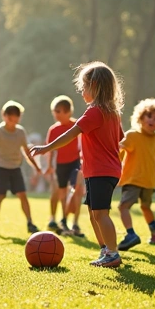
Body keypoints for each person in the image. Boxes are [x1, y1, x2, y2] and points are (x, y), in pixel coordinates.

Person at [32, 62, 125, 268]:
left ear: (94, 86)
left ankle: (113, 253)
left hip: (101, 171)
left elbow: (70, 134)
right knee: (93, 214)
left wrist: (47, 148)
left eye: (83, 86)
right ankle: (105, 250)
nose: (82, 91)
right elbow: (121, 139)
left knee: (100, 214)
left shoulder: (95, 112)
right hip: (101, 171)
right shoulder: (112, 113)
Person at [117, 98, 155, 250]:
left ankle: (133, 234)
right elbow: (120, 150)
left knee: (127, 207)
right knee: (136, 207)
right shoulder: (132, 135)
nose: (152, 121)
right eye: (149, 116)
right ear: (141, 117)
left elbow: (152, 159)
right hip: (136, 179)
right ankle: (151, 233)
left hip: (143, 180)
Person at [0, 101, 41, 235]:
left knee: (23, 195)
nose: (12, 120)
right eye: (10, 117)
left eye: (16, 117)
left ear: (19, 117)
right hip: (2, 168)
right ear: (4, 116)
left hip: (16, 168)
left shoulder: (20, 132)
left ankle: (30, 223)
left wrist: (36, 167)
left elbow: (27, 151)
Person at [45, 95, 84, 236]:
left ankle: (75, 223)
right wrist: (49, 166)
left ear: (68, 111)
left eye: (58, 111)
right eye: (54, 111)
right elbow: (50, 149)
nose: (55, 114)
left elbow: (84, 144)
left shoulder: (77, 125)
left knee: (77, 192)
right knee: (62, 194)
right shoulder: (53, 130)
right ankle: (64, 221)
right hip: (60, 165)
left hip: (75, 163)